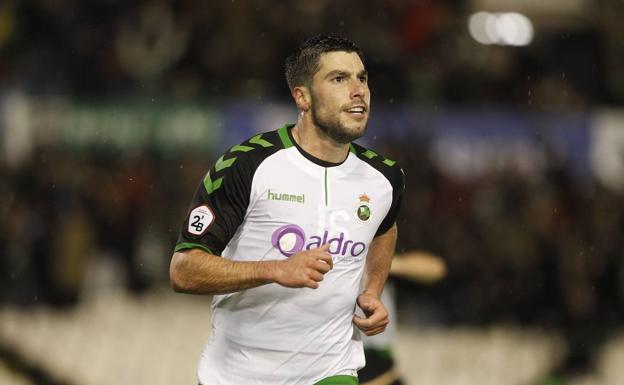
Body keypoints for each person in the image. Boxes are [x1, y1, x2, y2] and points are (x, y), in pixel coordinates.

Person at [170, 34, 404, 385]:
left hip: (331, 371)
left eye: (362, 77)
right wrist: (276, 269)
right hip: (238, 375)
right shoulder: (245, 165)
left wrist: (371, 290)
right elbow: (184, 270)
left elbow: (385, 228)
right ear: (302, 97)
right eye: (339, 79)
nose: (359, 91)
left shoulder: (385, 178)